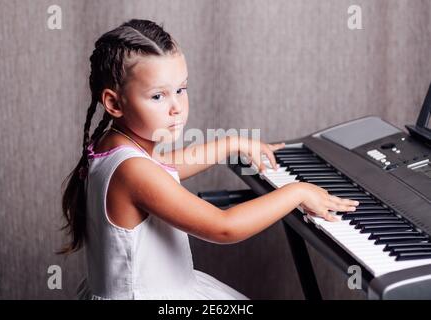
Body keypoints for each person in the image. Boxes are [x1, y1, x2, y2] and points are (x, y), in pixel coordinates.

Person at [58, 19, 359, 300]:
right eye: (158, 97)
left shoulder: (113, 144)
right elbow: (223, 227)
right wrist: (297, 192)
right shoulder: (133, 170)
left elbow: (166, 167)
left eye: (181, 89)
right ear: (113, 102)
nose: (176, 107)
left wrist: (230, 143)